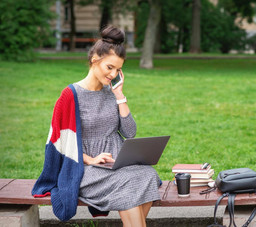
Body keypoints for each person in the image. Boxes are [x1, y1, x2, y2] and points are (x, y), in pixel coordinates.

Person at [32, 26, 161, 227]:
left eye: (118, 70)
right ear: (95, 60)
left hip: (116, 164)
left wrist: (119, 95)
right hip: (85, 168)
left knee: (148, 174)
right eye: (109, 67)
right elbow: (59, 144)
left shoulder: (111, 94)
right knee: (129, 184)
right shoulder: (70, 95)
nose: (113, 74)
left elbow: (130, 132)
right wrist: (91, 159)